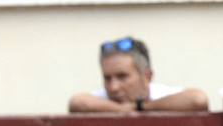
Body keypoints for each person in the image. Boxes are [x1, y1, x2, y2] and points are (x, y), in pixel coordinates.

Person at [68, 37, 208, 114]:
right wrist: (122, 109)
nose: (113, 87)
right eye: (107, 78)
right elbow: (77, 102)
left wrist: (142, 107)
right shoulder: (103, 99)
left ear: (147, 76)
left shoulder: (162, 95)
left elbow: (198, 100)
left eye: (122, 76)